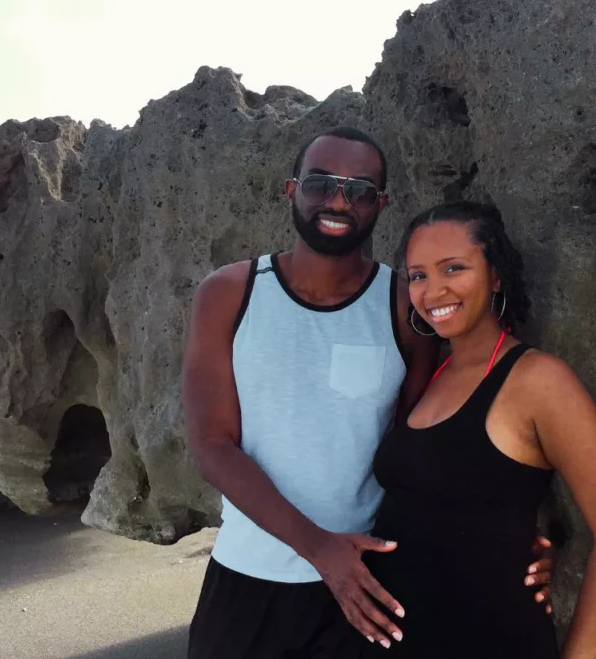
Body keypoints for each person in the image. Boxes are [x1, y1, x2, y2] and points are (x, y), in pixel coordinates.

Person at [182, 127, 555, 658]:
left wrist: (512, 533)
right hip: (248, 576)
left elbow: (427, 449)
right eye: (321, 183)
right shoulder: (229, 293)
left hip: (371, 587)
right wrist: (320, 551)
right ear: (291, 189)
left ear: (380, 204)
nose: (338, 200)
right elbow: (211, 444)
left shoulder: (405, 306)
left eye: (359, 190)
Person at [360, 201, 596, 658]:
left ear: (495, 276)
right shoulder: (431, 375)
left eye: (454, 268)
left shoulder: (538, 380)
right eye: (418, 276)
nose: (434, 291)